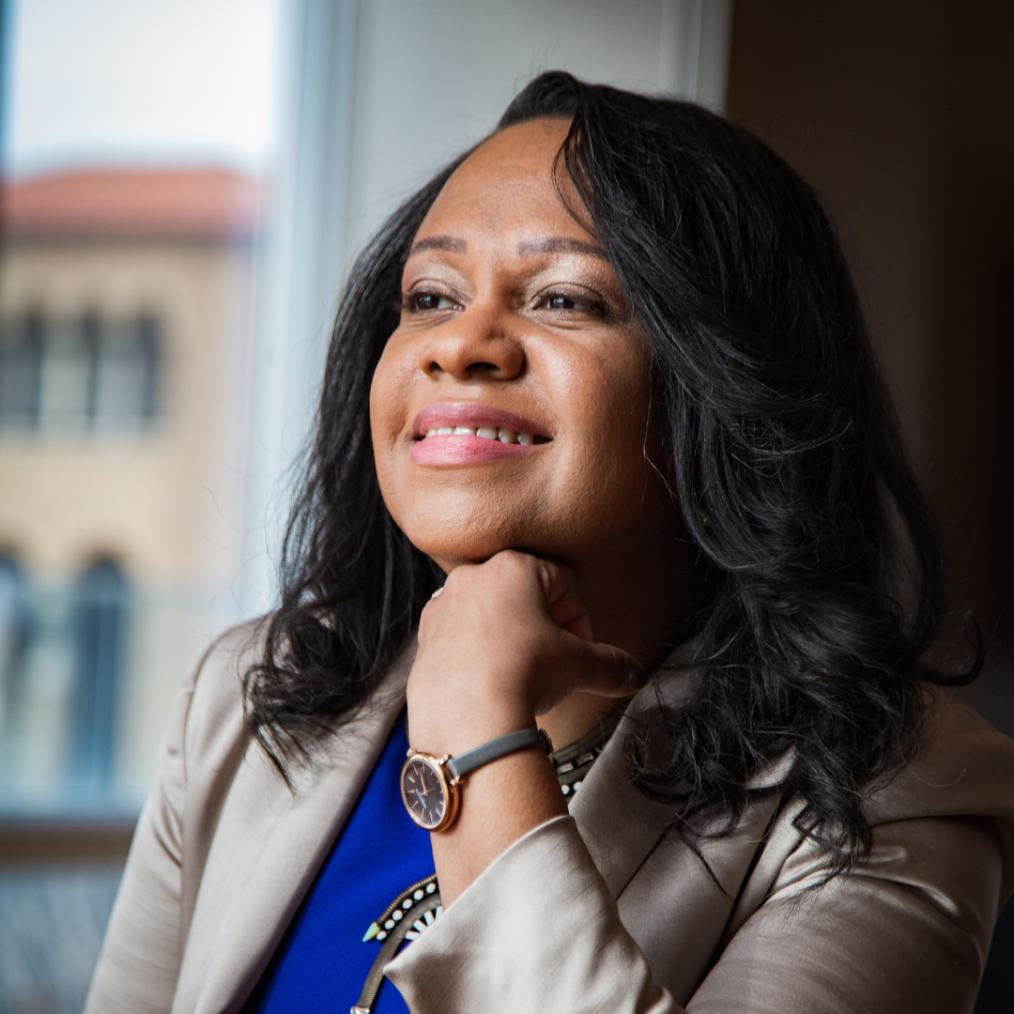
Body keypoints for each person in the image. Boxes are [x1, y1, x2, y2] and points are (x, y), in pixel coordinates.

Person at [85, 71, 1014, 1014]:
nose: (461, 345)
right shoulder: (242, 701)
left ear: (724, 382)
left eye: (565, 299)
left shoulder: (900, 795)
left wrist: (477, 731)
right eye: (432, 296)